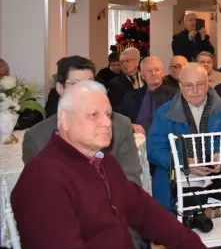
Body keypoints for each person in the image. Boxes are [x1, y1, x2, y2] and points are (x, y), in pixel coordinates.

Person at [12, 81, 221, 249]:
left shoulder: (103, 162)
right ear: (65, 120)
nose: (107, 123)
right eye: (94, 115)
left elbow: (145, 212)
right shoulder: (43, 179)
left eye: (108, 114)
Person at [22, 56, 142, 184]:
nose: (86, 91)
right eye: (76, 84)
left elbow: (131, 181)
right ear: (60, 88)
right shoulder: (37, 137)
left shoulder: (119, 125)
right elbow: (39, 189)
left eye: (90, 84)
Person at [147, 63, 221, 212]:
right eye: (188, 86)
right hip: (180, 173)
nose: (195, 90)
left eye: (200, 84)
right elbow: (154, 148)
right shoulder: (165, 113)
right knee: (185, 207)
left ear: (207, 83)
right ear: (180, 86)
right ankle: (192, 223)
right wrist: (183, 162)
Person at [118, 56, 177, 134]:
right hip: (137, 138)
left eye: (157, 70)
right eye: (149, 71)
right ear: (142, 75)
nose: (154, 73)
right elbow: (118, 116)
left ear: (162, 73)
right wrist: (130, 125)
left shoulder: (174, 95)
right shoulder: (132, 95)